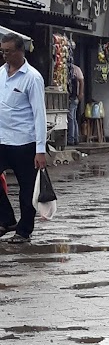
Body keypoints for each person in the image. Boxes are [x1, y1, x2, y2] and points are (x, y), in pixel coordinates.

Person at [0, 28, 48, 246]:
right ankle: (7, 218)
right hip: (2, 139)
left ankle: (24, 230)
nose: (5, 55)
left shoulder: (32, 78)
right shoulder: (1, 73)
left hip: (24, 143)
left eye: (9, 51)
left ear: (21, 52)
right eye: (2, 51)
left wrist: (40, 149)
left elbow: (39, 114)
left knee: (27, 190)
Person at [67, 55, 84, 146]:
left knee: (71, 118)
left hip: (74, 97)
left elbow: (81, 81)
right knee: (73, 118)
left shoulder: (75, 69)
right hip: (72, 97)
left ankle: (71, 139)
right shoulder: (68, 69)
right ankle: (75, 138)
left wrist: (80, 94)